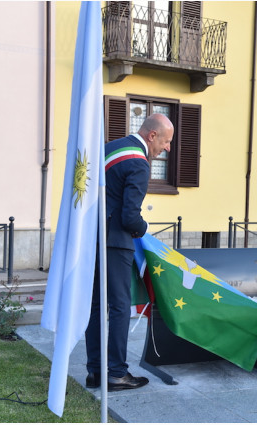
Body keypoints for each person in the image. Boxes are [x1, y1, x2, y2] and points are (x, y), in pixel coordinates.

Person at [85, 113, 174, 391]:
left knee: (97, 306)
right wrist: (143, 229)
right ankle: (116, 373)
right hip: (115, 242)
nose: (167, 148)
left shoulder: (112, 148)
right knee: (120, 307)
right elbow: (129, 217)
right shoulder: (139, 162)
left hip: (93, 237)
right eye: (166, 141)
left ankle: (96, 372)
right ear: (152, 136)